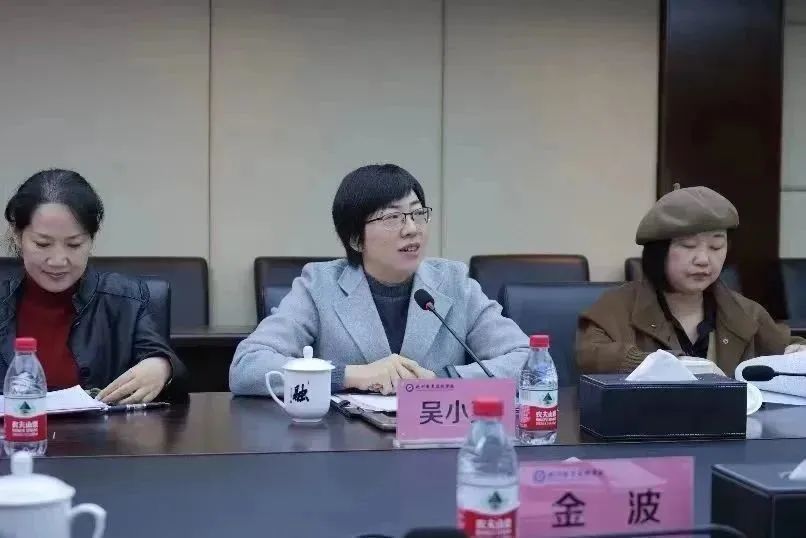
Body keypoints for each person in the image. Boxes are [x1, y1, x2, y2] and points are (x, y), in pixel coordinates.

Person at [230, 164, 529, 396]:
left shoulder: (454, 283)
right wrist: (349, 375)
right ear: (356, 239)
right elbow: (247, 366)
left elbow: (529, 362)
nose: (412, 229)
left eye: (417, 214)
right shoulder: (319, 285)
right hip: (345, 445)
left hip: (436, 443)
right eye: (392, 218)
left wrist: (443, 380)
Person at [577, 185, 806, 376]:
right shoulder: (616, 307)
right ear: (659, 252)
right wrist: (656, 364)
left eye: (716, 246)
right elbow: (589, 355)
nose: (704, 260)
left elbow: (788, 345)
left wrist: (795, 354)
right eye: (688, 246)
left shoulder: (745, 312)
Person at [0, 169, 186, 402]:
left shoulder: (125, 300)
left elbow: (165, 363)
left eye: (74, 245)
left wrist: (162, 367)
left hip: (102, 427)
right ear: (18, 236)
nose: (58, 260)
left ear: (91, 240)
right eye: (43, 244)